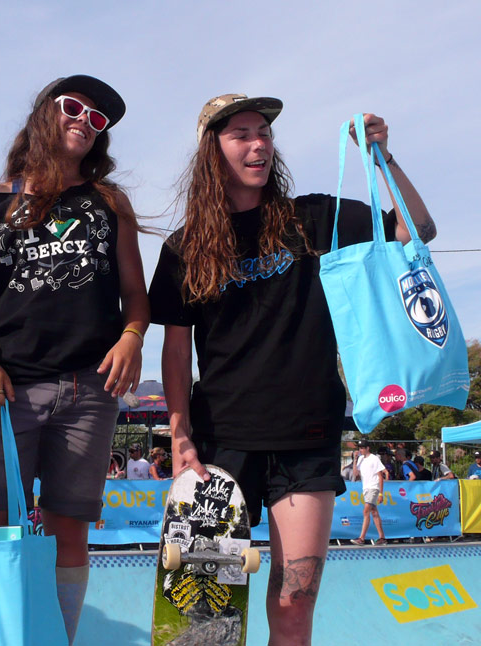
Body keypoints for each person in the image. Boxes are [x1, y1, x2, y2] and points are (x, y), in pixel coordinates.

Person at [148, 94, 435, 645]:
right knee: (206, 615)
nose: (258, 143)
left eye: (264, 132)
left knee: (294, 598)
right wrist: (180, 433)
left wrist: (381, 157)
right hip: (220, 442)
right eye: (241, 134)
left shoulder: (312, 218)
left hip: (307, 433)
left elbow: (416, 230)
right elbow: (177, 350)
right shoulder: (185, 248)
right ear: (213, 150)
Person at [0, 74, 149, 644]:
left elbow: (135, 294)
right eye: (73, 108)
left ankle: (56, 637)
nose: (84, 122)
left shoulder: (110, 201)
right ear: (45, 113)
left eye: (98, 120)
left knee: (70, 528)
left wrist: (133, 335)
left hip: (89, 389)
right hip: (6, 386)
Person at [350, 441, 388, 546]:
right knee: (374, 513)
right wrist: (355, 459)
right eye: (360, 448)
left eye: (363, 448)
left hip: (373, 488)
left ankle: (361, 538)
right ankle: (382, 537)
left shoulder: (374, 458)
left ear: (367, 448)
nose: (361, 450)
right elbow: (355, 473)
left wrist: (381, 493)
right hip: (366, 488)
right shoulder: (361, 459)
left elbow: (380, 476)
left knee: (366, 511)